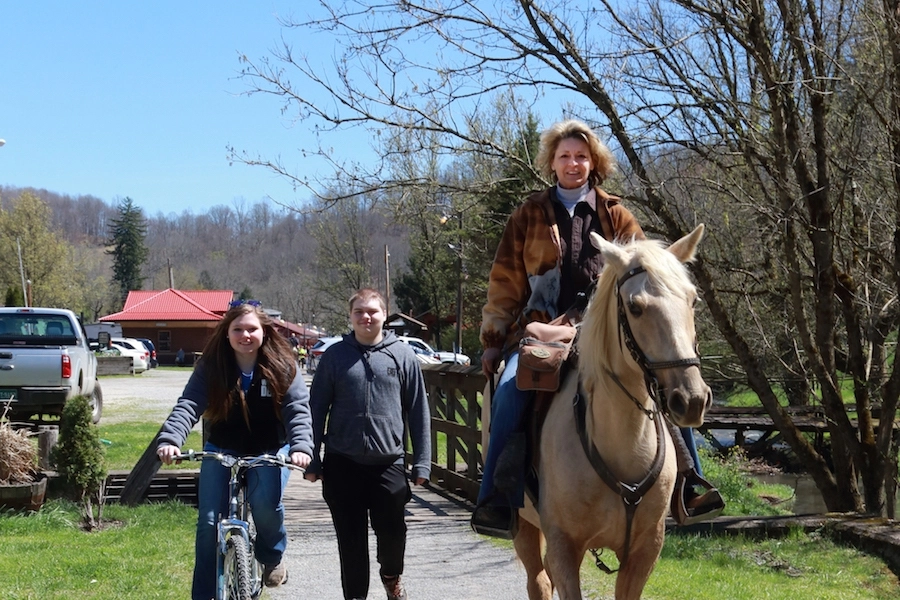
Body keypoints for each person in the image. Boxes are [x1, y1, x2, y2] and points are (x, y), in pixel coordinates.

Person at [470, 119, 723, 537]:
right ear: (552, 162)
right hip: (539, 333)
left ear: (594, 163)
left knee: (661, 381)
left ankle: (689, 481)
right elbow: (504, 283)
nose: (573, 163)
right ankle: (496, 498)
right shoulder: (528, 214)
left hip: (602, 333)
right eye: (565, 156)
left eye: (581, 156)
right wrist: (495, 340)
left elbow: (649, 273)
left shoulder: (616, 214)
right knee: (511, 390)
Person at [156, 301, 314, 600]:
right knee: (208, 524)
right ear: (226, 333)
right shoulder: (213, 367)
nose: (245, 335)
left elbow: (297, 410)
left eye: (251, 329)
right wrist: (171, 439)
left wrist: (301, 447)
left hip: (267, 448)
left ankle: (272, 556)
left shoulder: (282, 365)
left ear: (264, 332)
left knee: (266, 504)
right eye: (238, 329)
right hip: (223, 447)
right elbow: (189, 403)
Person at [305, 288, 431, 600]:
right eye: (359, 311)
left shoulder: (402, 355)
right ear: (350, 316)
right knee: (350, 541)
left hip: (388, 464)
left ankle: (390, 576)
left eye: (372, 311)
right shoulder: (335, 357)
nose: (366, 317)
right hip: (342, 462)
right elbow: (316, 408)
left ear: (384, 315)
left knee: (392, 535)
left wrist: (423, 461)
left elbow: (418, 411)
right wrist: (312, 458)